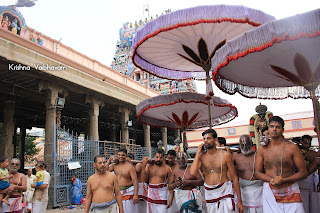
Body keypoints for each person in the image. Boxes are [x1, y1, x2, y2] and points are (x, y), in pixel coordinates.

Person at [255, 116, 307, 213]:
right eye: (271, 126)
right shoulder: (262, 149)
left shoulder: (292, 147)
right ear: (268, 128)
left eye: (277, 127)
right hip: (270, 191)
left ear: (282, 130)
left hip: (291, 190)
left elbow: (303, 172)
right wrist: (271, 180)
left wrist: (283, 180)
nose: (274, 129)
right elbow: (257, 172)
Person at [190, 129, 244, 213]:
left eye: (208, 138)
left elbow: (235, 177)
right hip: (209, 193)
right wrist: (197, 152)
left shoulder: (225, 155)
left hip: (225, 191)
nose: (205, 141)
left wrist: (240, 201)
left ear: (215, 140)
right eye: (204, 139)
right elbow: (193, 173)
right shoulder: (202, 157)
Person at [233, 135, 263, 213]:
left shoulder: (259, 156)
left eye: (247, 144)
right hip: (243, 192)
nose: (245, 147)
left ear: (252, 143)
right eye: (242, 145)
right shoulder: (236, 158)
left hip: (259, 191)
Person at [141, 148, 173, 213]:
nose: (158, 159)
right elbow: (143, 180)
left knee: (163, 211)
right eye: (157, 157)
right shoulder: (149, 166)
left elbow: (171, 184)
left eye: (161, 157)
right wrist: (144, 166)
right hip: (151, 192)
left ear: (164, 157)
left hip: (162, 193)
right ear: (154, 157)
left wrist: (171, 198)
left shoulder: (167, 168)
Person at [298, 134, 320, 213]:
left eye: (309, 143)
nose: (307, 145)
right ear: (301, 142)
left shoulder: (311, 152)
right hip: (302, 183)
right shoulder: (297, 152)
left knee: (314, 205)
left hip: (311, 183)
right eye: (305, 143)